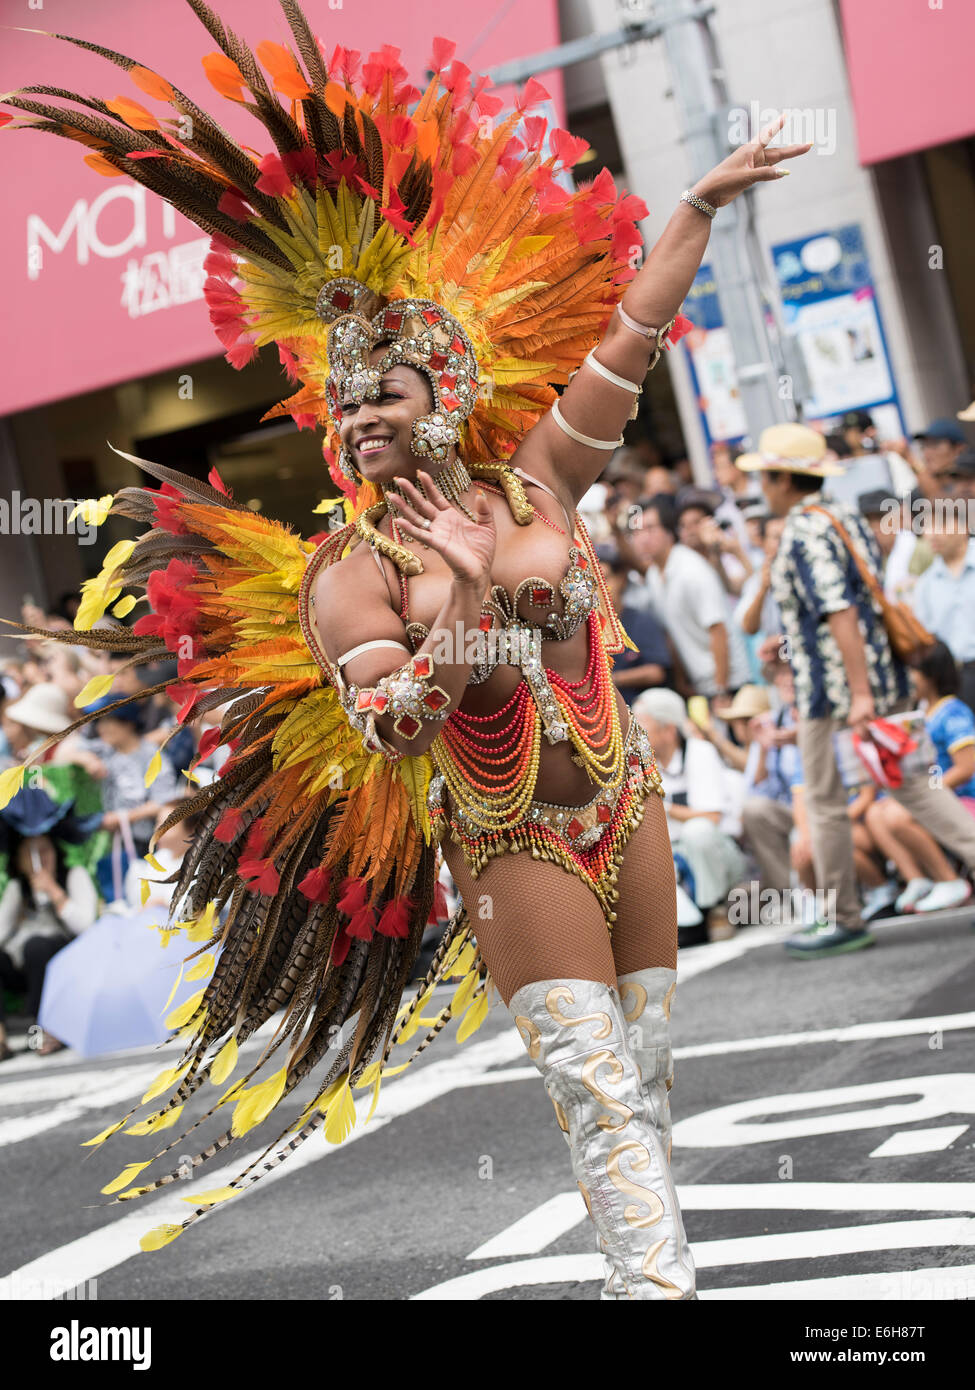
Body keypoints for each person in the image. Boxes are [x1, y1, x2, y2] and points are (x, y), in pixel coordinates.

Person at [6, 0, 812, 1293]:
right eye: (344, 397)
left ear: (443, 390)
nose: (359, 412)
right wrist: (477, 603)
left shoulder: (538, 481)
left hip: (629, 803)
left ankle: (634, 1268)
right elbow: (393, 725)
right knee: (594, 1082)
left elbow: (630, 338)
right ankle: (658, 1286)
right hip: (508, 838)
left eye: (384, 387)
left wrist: (701, 205)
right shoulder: (353, 569)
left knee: (648, 1071)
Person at [739, 422, 975, 959]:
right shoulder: (841, 515)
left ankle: (843, 916)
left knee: (823, 800)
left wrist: (859, 693)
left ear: (782, 479)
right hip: (872, 677)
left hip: (836, 690)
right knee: (912, 784)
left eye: (765, 478)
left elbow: (840, 611)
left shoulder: (802, 529)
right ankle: (844, 913)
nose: (762, 489)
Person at [632, 688, 746, 945]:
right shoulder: (637, 763)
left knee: (699, 831)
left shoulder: (700, 752)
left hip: (718, 854)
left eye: (642, 726)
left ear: (669, 730)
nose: (636, 735)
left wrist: (662, 805)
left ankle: (716, 909)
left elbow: (711, 817)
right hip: (672, 854)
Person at [0, 789, 100, 1060]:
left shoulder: (73, 876)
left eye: (44, 851)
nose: (39, 859)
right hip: (24, 965)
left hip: (65, 960)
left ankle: (47, 1030)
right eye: (30, 854)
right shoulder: (17, 888)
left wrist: (55, 893)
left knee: (37, 946)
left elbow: (86, 927)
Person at [637, 493, 752, 703]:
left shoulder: (691, 569)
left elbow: (718, 631)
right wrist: (682, 681)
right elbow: (670, 633)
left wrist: (721, 689)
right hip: (702, 686)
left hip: (732, 684)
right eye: (637, 531)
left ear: (669, 532)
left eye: (650, 529)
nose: (643, 538)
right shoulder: (654, 575)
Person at [909, 503, 975, 712]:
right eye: (927, 527)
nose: (931, 534)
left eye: (940, 525)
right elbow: (926, 638)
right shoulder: (925, 584)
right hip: (955, 680)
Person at [596, 544, 672, 703]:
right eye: (593, 582)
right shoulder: (587, 628)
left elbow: (656, 672)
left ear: (621, 579)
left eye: (605, 578)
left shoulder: (641, 620)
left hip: (640, 709)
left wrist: (611, 680)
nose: (599, 588)